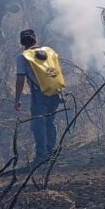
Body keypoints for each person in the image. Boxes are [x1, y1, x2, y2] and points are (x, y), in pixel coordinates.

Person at [14, 29, 65, 162]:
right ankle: (51, 150)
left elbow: (20, 80)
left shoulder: (23, 57)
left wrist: (17, 99)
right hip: (55, 91)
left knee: (39, 124)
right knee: (50, 122)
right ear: (35, 39)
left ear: (22, 42)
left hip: (39, 94)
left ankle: (41, 156)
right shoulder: (48, 51)